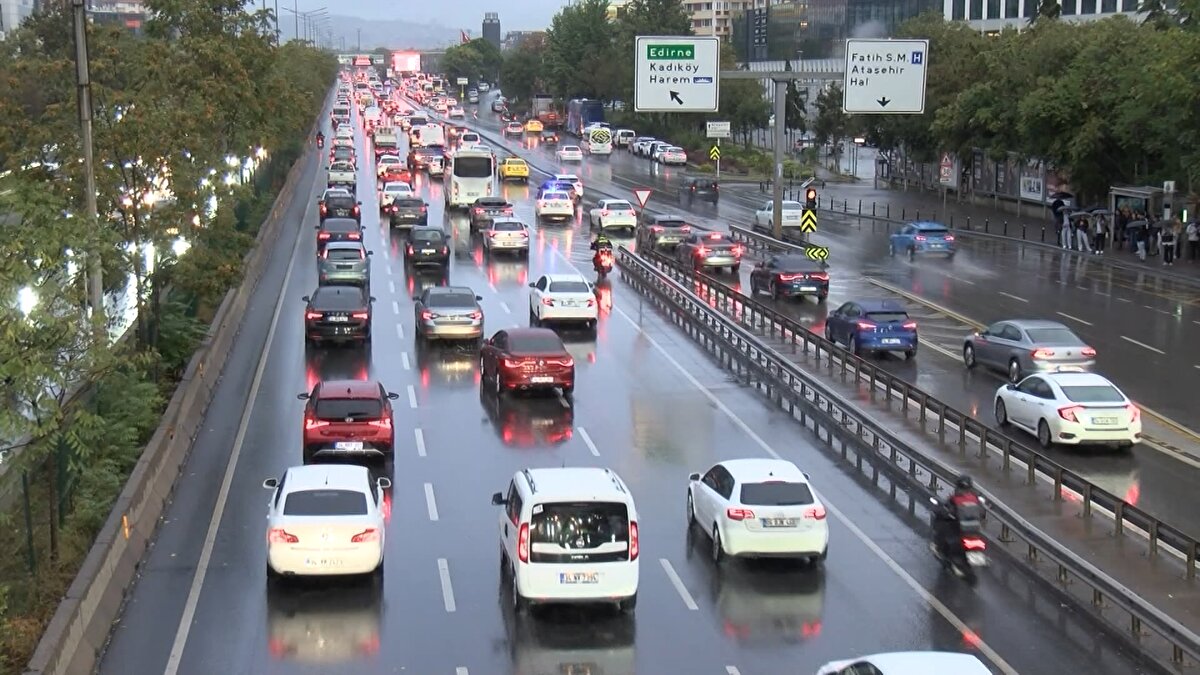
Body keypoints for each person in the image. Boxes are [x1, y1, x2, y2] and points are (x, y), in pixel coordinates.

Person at [932, 475, 983, 557]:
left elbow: (946, 511)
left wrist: (942, 512)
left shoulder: (955, 499)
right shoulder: (975, 498)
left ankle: (942, 551)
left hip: (960, 530)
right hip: (975, 530)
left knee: (946, 530)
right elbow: (982, 512)